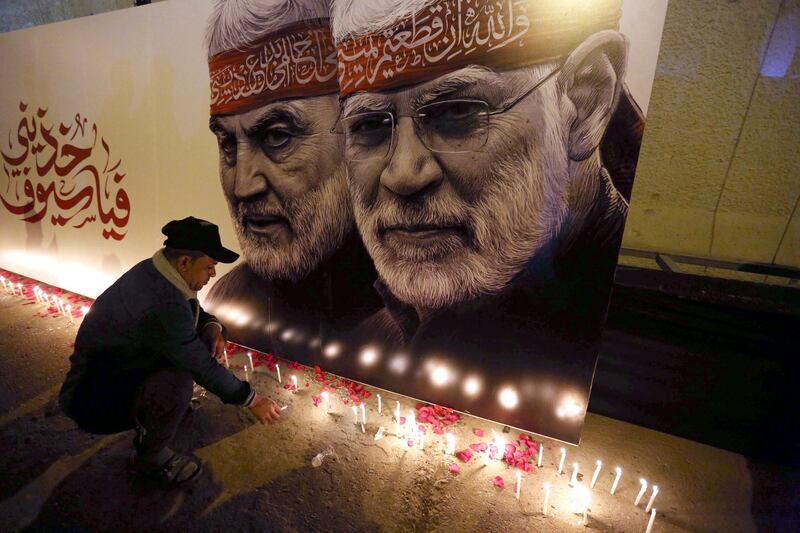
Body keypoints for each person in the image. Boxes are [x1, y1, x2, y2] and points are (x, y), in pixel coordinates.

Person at [330, 0, 643, 443]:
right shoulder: (373, 339)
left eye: (458, 112)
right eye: (368, 126)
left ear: (585, 101)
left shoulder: (633, 367)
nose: (402, 174)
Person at [203, 0, 381, 360]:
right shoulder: (231, 300)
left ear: (357, 130)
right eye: (227, 143)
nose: (243, 186)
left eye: (277, 136)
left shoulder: (418, 321)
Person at [59, 216, 282, 487]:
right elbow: (200, 365)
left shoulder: (158, 271)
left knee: (190, 352)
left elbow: (188, 309)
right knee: (178, 382)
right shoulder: (161, 302)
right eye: (209, 267)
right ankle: (150, 459)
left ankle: (156, 410)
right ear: (185, 262)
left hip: (113, 371)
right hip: (94, 399)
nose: (212, 274)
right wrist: (253, 400)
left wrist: (211, 324)